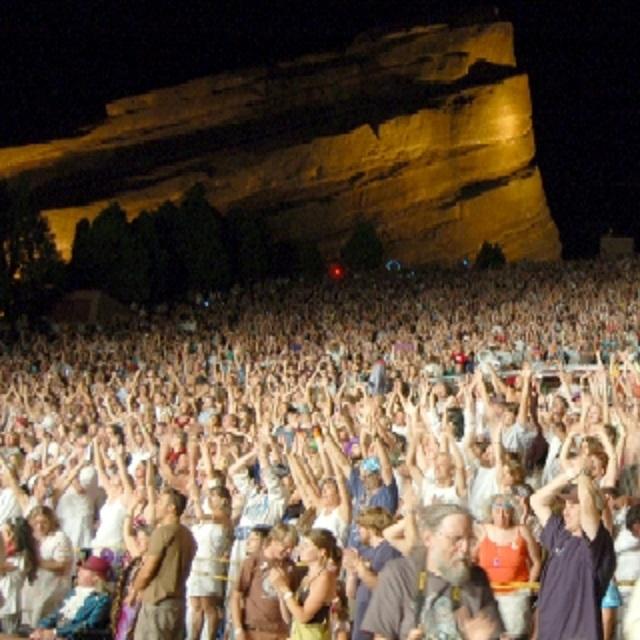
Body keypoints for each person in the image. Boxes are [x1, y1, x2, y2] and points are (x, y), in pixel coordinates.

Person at [361, 503, 503, 640]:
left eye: (469, 539)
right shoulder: (399, 575)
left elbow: (492, 632)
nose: (465, 548)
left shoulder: (477, 578)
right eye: (456, 539)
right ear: (429, 539)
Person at [530, 466, 616, 640]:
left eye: (572, 506)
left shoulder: (597, 543)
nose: (565, 511)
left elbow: (589, 509)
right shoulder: (560, 535)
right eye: (565, 505)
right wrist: (569, 474)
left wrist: (584, 473)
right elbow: (536, 500)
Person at [129, 487, 197, 640]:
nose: (156, 505)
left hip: (157, 602)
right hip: (177, 602)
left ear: (171, 508)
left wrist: (135, 590)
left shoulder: (163, 532)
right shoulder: (188, 535)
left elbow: (148, 570)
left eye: (160, 502)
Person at [475, 494, 541, 638]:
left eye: (506, 511)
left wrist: (529, 587)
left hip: (515, 597)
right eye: (497, 511)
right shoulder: (481, 531)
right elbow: (471, 561)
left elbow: (536, 561)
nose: (502, 515)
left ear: (512, 512)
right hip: (487, 596)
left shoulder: (522, 531)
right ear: (491, 512)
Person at [231, 523, 299, 640]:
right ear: (273, 541)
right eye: (285, 546)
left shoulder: (290, 567)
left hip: (280, 631)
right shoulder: (253, 562)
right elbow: (236, 596)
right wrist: (238, 629)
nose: (288, 551)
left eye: (292, 548)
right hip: (254, 630)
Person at [269, 528, 341, 640]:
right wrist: (281, 591)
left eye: (306, 545)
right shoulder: (306, 576)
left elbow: (303, 617)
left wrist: (284, 589)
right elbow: (289, 617)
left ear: (322, 552)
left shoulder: (324, 578)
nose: (301, 548)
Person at [343, 507, 401, 640]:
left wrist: (359, 565)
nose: (358, 531)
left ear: (372, 528)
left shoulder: (388, 550)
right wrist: (351, 571)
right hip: (361, 620)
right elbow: (351, 593)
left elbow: (381, 587)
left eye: (361, 527)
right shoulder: (365, 551)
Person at [29, 555, 112, 639]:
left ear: (95, 578)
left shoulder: (102, 600)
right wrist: (41, 628)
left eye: (84, 570)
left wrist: (55, 633)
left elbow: (89, 626)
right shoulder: (75, 593)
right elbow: (56, 614)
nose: (79, 572)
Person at [22, 506, 74, 627]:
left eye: (44, 522)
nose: (39, 526)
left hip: (52, 588)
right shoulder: (32, 538)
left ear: (51, 521)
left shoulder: (59, 538)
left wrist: (36, 561)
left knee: (44, 624)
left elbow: (62, 565)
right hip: (34, 588)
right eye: (36, 523)